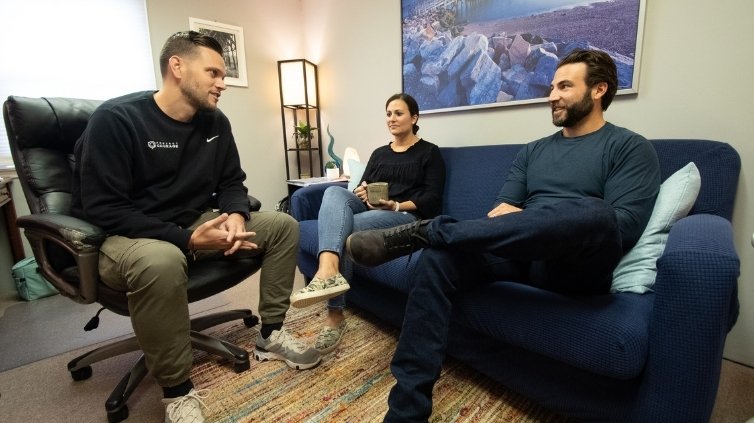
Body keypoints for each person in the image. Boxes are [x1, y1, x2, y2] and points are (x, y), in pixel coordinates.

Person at [345, 50, 661, 421]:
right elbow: (501, 214)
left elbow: (619, 228)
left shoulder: (629, 147)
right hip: (519, 250)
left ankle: (428, 230)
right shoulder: (534, 151)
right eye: (552, 86)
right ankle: (405, 412)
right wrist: (526, 222)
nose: (552, 95)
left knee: (594, 211)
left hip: (575, 264)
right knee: (438, 260)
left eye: (564, 86)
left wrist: (544, 217)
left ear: (599, 90)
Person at [71, 31, 320, 423]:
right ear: (177, 67)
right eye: (214, 73)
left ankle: (271, 335)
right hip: (127, 236)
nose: (223, 83)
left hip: (192, 223)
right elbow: (105, 208)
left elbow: (231, 182)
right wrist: (187, 239)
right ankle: (177, 392)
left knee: (283, 225)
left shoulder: (214, 122)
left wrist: (236, 215)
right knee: (162, 261)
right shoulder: (116, 120)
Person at [288, 93, 446, 354]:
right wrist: (362, 191)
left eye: (398, 113)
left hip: (403, 215)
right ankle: (328, 271)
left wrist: (394, 204)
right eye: (388, 114)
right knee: (334, 192)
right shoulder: (380, 153)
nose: (391, 119)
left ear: (414, 117)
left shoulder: (430, 152)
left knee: (344, 229)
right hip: (370, 209)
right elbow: (365, 183)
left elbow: (431, 198)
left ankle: (335, 316)